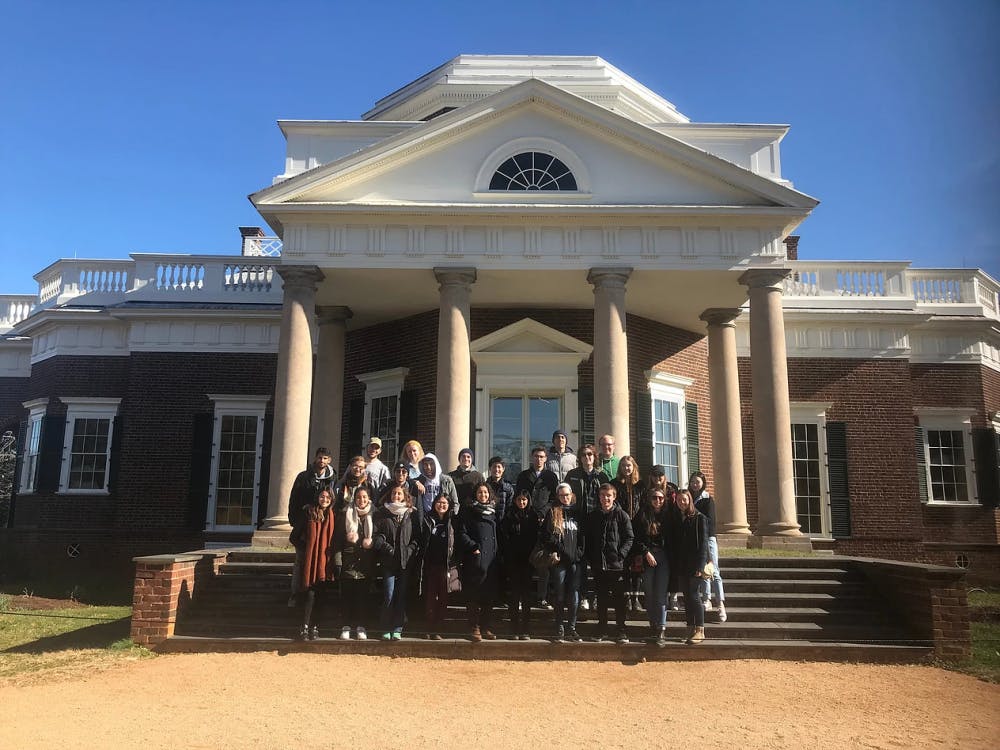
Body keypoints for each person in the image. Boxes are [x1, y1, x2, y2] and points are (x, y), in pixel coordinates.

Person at [583, 483, 634, 644]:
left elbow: (629, 538)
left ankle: (621, 629)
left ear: (614, 497)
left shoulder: (622, 515)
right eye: (602, 495)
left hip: (617, 566)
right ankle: (602, 627)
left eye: (608, 495)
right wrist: (592, 558)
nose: (605, 498)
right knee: (602, 599)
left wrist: (621, 555)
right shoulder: (593, 516)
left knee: (620, 599)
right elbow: (588, 540)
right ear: (599, 497)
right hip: (599, 566)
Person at [287, 447, 337, 606]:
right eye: (320, 457)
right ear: (315, 458)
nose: (322, 461)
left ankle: (318, 593)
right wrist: (295, 522)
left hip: (324, 526)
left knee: (321, 562)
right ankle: (295, 594)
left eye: (325, 458)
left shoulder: (333, 478)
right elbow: (294, 499)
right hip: (306, 525)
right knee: (300, 561)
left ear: (329, 460)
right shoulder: (303, 477)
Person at [372, 484, 421, 640]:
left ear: (405, 496)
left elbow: (417, 536)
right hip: (388, 561)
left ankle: (398, 628)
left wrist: (410, 549)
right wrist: (387, 548)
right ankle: (386, 627)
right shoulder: (382, 513)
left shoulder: (411, 513)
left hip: (405, 561)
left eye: (400, 494)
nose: (396, 496)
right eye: (394, 493)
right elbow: (377, 535)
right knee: (389, 594)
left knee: (401, 595)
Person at [514, 446, 559, 608]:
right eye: (536, 456)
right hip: (526, 522)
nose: (538, 459)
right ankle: (521, 597)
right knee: (524, 561)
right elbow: (519, 496)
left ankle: (542, 597)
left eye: (541, 456)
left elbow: (554, 499)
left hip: (544, 522)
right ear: (531, 458)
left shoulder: (551, 477)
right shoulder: (524, 475)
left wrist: (542, 513)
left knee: (543, 562)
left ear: (546, 458)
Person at [456, 481, 501, 641]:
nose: (483, 495)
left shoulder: (493, 512)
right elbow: (461, 532)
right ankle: (474, 627)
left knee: (488, 596)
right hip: (474, 559)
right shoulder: (468, 511)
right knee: (474, 595)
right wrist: (473, 547)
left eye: (486, 493)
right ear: (475, 494)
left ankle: (485, 626)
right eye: (480, 492)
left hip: (491, 560)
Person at [289, 488, 336, 640]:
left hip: (325, 561)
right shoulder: (308, 513)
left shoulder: (333, 516)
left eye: (328, 497)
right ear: (318, 498)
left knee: (321, 594)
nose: (325, 499)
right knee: (309, 594)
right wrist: (306, 550)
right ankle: (304, 626)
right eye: (322, 496)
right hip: (310, 562)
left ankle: (315, 626)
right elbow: (294, 537)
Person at [541, 483, 584, 642]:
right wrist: (563, 551)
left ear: (572, 495)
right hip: (559, 561)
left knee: (574, 596)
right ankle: (559, 626)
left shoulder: (578, 514)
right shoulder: (553, 513)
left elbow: (583, 538)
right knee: (559, 594)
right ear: (558, 497)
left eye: (567, 495)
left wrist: (578, 553)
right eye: (561, 495)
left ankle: (572, 627)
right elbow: (547, 537)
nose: (565, 498)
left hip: (575, 561)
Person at [333, 485, 376, 640]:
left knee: (362, 598)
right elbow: (337, 541)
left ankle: (361, 626)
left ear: (369, 498)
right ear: (354, 498)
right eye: (358, 497)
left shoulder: (374, 514)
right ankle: (345, 626)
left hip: (366, 563)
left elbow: (378, 536)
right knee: (347, 597)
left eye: (364, 497)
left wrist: (372, 543)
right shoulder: (346, 514)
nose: (361, 500)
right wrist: (338, 562)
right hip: (348, 562)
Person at [565, 443, 603, 613]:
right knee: (579, 563)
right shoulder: (572, 475)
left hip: (596, 525)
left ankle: (595, 597)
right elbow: (564, 497)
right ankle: (583, 596)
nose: (587, 457)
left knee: (596, 563)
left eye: (590, 454)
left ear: (594, 457)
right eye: (584, 455)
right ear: (579, 458)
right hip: (577, 524)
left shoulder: (602, 476)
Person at [633, 486, 671, 646]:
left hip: (664, 557)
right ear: (650, 499)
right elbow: (635, 537)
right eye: (655, 497)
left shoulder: (669, 516)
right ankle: (653, 625)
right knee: (649, 592)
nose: (658, 501)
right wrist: (646, 552)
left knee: (661, 593)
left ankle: (661, 628)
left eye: (661, 498)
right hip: (647, 556)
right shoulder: (642, 515)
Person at [500, 490, 539, 640]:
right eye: (519, 500)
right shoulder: (509, 516)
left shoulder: (533, 516)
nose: (522, 502)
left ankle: (525, 627)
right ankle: (514, 626)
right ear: (515, 500)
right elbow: (504, 537)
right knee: (515, 595)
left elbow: (536, 537)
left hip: (528, 561)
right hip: (513, 561)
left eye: (524, 499)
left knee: (527, 596)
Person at [690, 471, 727, 622]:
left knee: (714, 571)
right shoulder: (690, 498)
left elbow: (709, 520)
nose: (694, 484)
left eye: (697, 482)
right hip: (695, 539)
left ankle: (721, 603)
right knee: (703, 570)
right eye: (692, 481)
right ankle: (706, 599)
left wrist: (694, 513)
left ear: (702, 483)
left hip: (708, 538)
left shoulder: (707, 499)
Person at [674, 488, 709, 644]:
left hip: (695, 564)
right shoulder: (679, 518)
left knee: (694, 597)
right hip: (682, 564)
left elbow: (703, 543)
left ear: (689, 500)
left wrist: (701, 566)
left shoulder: (699, 518)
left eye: (685, 499)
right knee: (687, 598)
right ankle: (690, 628)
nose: (682, 502)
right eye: (679, 500)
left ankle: (700, 630)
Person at [612, 455, 646, 612]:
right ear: (620, 468)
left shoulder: (641, 485)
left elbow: (645, 506)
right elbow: (615, 506)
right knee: (624, 565)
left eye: (629, 466)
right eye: (624, 466)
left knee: (637, 566)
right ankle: (626, 598)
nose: (627, 468)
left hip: (638, 529)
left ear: (634, 467)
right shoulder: (615, 484)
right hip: (621, 529)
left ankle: (636, 598)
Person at [421, 491, 457, 640]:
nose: (441, 505)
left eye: (445, 503)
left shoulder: (452, 521)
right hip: (430, 564)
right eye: (439, 502)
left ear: (449, 506)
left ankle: (439, 628)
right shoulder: (428, 519)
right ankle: (429, 627)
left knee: (443, 598)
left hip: (446, 565)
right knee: (430, 597)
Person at [413, 453, 458, 522]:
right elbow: (406, 481)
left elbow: (455, 502)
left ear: (436, 464)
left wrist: (452, 516)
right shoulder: (420, 480)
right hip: (426, 518)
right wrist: (415, 482)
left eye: (431, 464)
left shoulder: (447, 480)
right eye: (425, 464)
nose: (428, 467)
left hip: (442, 517)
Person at [485, 456, 515, 522]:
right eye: (494, 467)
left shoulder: (508, 487)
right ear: (490, 469)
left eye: (499, 467)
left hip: (504, 524)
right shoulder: (485, 486)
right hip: (488, 522)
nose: (496, 469)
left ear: (503, 469)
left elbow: (510, 507)